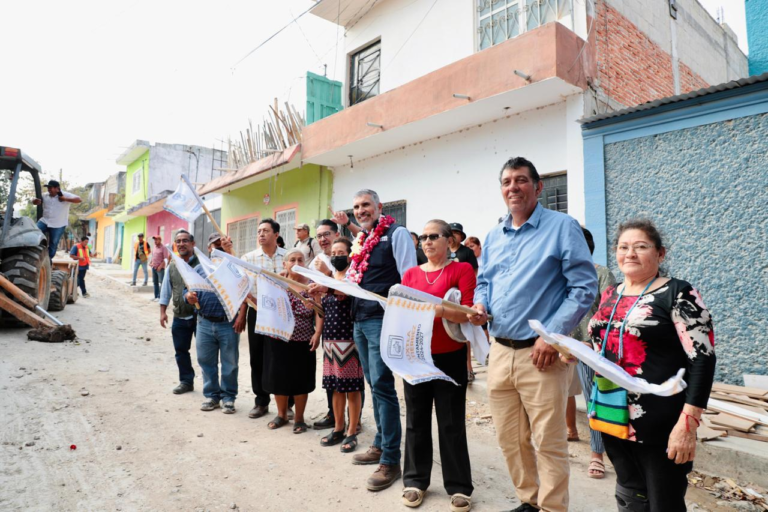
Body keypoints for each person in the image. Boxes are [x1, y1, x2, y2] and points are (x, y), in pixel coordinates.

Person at [469, 157, 597, 512]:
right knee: (510, 439)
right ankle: (529, 501)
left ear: (538, 187)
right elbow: (484, 282)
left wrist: (552, 336)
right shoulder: (494, 234)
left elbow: (584, 288)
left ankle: (553, 507)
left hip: (541, 355)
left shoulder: (562, 227)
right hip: (500, 351)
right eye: (507, 181)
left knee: (549, 440)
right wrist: (480, 305)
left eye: (522, 180)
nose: (514, 187)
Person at [584, 219, 715, 512]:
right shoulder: (611, 294)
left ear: (660, 254)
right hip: (611, 412)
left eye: (640, 247)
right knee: (631, 496)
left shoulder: (678, 293)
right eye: (623, 247)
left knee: (663, 501)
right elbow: (606, 345)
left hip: (660, 421)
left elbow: (702, 358)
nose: (629, 253)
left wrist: (688, 423)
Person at [400, 220, 475, 512]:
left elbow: (466, 314)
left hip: (450, 355)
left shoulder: (461, 270)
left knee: (451, 421)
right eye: (424, 238)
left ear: (449, 240)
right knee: (416, 421)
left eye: (435, 236)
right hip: (416, 356)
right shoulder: (410, 275)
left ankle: (458, 486)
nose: (427, 242)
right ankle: (415, 481)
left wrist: (432, 307)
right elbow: (403, 313)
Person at [347, 189, 416, 491]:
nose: (360, 211)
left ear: (379, 207)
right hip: (359, 319)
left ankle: (390, 459)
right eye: (356, 207)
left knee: (384, 387)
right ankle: (379, 442)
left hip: (381, 320)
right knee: (373, 385)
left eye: (365, 205)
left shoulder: (397, 234)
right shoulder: (361, 239)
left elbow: (408, 279)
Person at [567, 226, 615, 479]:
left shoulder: (602, 274)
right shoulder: (562, 275)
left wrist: (591, 342)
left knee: (593, 399)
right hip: (562, 344)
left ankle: (597, 454)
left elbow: (608, 312)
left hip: (589, 347)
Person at [309, 238, 364, 452]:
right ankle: (338, 428)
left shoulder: (353, 277)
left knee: (352, 388)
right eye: (333, 252)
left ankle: (352, 431)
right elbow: (323, 311)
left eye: (341, 251)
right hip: (330, 341)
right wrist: (313, 300)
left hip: (349, 340)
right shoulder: (330, 280)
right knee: (335, 388)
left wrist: (326, 285)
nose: (336, 255)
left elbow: (345, 294)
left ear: (350, 255)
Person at [184, 232, 245, 414]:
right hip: (204, 322)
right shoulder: (199, 269)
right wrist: (188, 296)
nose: (217, 248)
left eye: (221, 245)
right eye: (214, 245)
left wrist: (242, 315)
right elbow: (187, 292)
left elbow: (244, 292)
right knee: (205, 361)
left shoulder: (235, 269)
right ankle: (212, 396)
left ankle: (228, 398)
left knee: (230, 363)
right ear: (209, 248)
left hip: (228, 323)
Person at [262, 249, 321, 433]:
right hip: (278, 337)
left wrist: (317, 332)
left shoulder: (312, 285)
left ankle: (299, 418)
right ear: (285, 264)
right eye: (292, 260)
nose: (296, 262)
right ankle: (281, 415)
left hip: (303, 338)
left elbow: (319, 310)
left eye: (300, 260)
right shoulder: (276, 282)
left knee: (300, 379)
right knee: (278, 377)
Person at [240, 218, 288, 420]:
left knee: (282, 358)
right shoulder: (248, 258)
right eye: (259, 231)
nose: (261, 234)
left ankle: (287, 403)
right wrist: (244, 308)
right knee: (258, 357)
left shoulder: (289, 257)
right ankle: (261, 401)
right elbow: (242, 286)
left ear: (276, 235)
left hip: (283, 314)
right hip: (258, 313)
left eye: (266, 231)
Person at [159, 230, 199, 395]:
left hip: (200, 317)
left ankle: (212, 387)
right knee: (181, 351)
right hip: (180, 316)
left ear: (192, 244)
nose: (181, 244)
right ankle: (186, 381)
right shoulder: (172, 266)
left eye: (185, 241)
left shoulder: (202, 265)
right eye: (178, 241)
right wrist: (162, 312)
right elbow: (166, 290)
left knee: (205, 353)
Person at [32, 180, 82, 260]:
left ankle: (48, 260)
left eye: (50, 188)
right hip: (44, 221)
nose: (48, 190)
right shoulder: (45, 195)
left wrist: (64, 198)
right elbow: (34, 199)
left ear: (57, 189)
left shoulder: (65, 195)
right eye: (48, 188)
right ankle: (34, 253)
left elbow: (79, 199)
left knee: (53, 244)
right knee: (33, 233)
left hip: (58, 225)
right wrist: (35, 201)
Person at [149, 235, 171, 301]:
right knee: (155, 282)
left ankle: (160, 297)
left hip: (160, 268)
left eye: (156, 240)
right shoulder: (155, 247)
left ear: (160, 240)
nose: (155, 241)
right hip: (154, 267)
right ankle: (156, 296)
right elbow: (153, 256)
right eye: (154, 240)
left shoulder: (163, 248)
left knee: (161, 283)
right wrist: (151, 262)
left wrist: (160, 266)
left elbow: (165, 259)